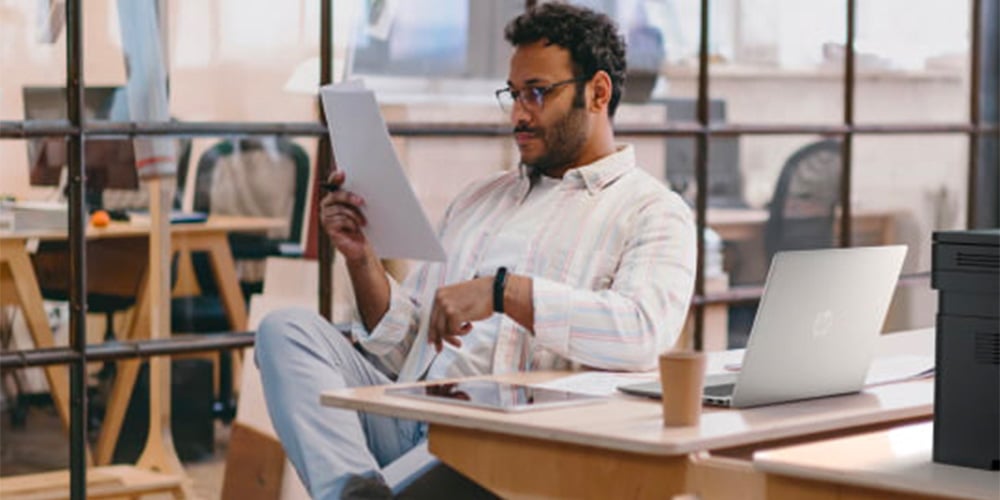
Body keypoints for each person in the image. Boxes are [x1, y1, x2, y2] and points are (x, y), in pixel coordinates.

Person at [256, 3, 696, 499]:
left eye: (537, 93)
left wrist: (503, 292)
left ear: (597, 92)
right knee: (285, 330)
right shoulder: (479, 199)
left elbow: (641, 333)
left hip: (511, 442)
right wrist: (362, 260)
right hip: (414, 416)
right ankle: (358, 493)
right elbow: (407, 344)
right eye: (512, 94)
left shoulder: (653, 212)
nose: (519, 113)